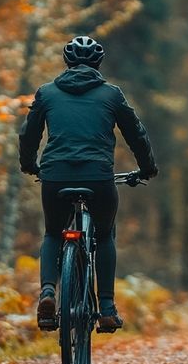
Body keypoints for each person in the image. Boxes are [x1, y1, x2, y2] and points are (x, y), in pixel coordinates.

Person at [19, 35, 157, 333]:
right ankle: (106, 309)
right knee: (105, 235)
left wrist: (29, 164)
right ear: (98, 63)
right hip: (98, 177)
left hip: (55, 176)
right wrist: (146, 168)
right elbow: (137, 134)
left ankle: (47, 294)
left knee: (53, 233)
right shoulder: (111, 95)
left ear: (66, 62)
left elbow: (28, 135)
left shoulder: (47, 93)